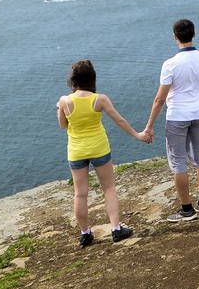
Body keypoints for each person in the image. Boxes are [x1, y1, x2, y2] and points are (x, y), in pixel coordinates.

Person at [57, 60, 147, 247]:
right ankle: (116, 229)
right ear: (92, 78)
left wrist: (61, 110)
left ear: (73, 80)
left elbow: (63, 125)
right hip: (99, 147)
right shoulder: (100, 99)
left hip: (76, 150)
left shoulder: (65, 101)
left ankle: (85, 234)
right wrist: (137, 135)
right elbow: (119, 120)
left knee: (80, 194)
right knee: (108, 188)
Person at [144, 19, 199, 222]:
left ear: (175, 36)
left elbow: (159, 99)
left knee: (178, 163)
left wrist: (149, 126)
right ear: (193, 34)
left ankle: (187, 209)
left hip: (177, 117)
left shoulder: (170, 64)